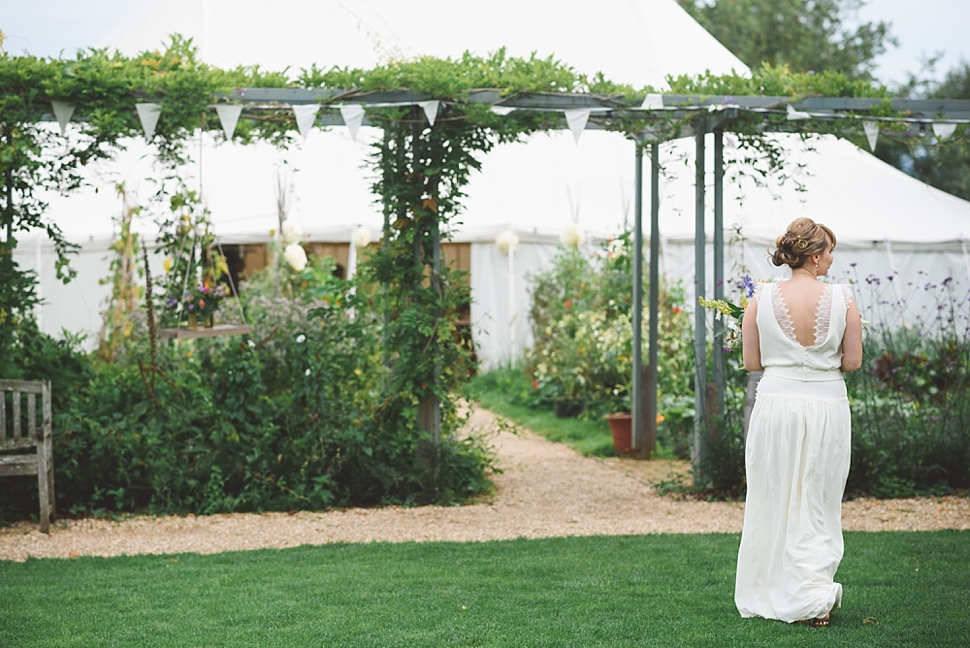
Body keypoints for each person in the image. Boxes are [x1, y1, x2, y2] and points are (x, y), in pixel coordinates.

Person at [734, 217, 863, 627]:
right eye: (827, 251)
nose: (830, 259)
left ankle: (773, 590)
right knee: (817, 500)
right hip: (827, 405)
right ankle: (812, 599)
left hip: (776, 405)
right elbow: (853, 362)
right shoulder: (843, 298)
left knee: (774, 497)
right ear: (812, 254)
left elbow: (751, 362)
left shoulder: (760, 298)